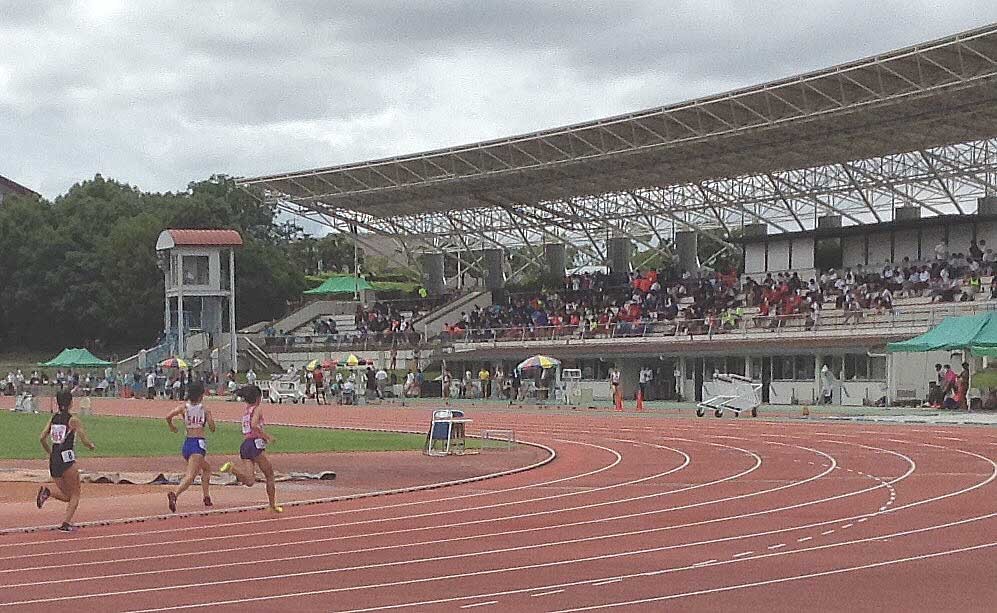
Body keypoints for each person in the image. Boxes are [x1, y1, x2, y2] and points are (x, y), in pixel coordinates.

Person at [36, 390, 96, 532]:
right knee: (75, 494)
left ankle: (48, 492)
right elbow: (84, 439)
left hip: (54, 459)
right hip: (66, 458)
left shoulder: (54, 418)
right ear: (70, 403)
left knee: (68, 496)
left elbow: (42, 437)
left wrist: (50, 452)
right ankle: (65, 523)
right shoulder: (73, 420)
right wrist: (91, 446)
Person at [220, 385, 282, 513]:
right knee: (269, 475)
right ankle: (272, 505)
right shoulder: (257, 409)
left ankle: (232, 468)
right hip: (254, 445)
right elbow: (254, 425)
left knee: (250, 481)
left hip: (245, 445)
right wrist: (267, 437)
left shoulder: (247, 410)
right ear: (258, 398)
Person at [164, 382, 215, 512]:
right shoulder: (204, 409)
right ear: (200, 395)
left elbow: (168, 416)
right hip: (198, 444)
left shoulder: (183, 408)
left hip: (187, 444)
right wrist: (208, 421)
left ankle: (206, 497)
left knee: (207, 469)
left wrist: (172, 426)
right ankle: (175, 494)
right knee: (191, 476)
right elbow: (212, 427)